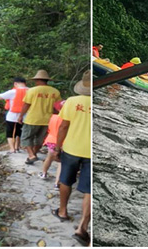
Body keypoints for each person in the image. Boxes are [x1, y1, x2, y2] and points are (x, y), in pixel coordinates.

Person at [52, 70, 91, 246]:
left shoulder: (73, 102)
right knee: (89, 190)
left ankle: (62, 211)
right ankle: (82, 227)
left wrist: (57, 147)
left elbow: (63, 127)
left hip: (72, 149)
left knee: (65, 180)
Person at [18, 70, 62, 165]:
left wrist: (20, 116)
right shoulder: (55, 92)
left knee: (26, 137)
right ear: (47, 80)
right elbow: (57, 107)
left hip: (32, 119)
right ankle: (33, 155)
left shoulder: (32, 91)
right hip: (47, 120)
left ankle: (31, 155)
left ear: (37, 80)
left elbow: (26, 105)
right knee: (40, 139)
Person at [0, 77, 29, 153]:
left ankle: (12, 148)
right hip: (24, 116)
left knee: (10, 132)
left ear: (15, 84)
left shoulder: (12, 92)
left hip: (12, 116)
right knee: (19, 132)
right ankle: (17, 147)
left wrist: (8, 99)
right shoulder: (30, 91)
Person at [40, 100, 65, 188]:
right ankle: (57, 183)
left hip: (51, 140)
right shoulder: (69, 119)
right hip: (63, 142)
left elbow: (49, 128)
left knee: (49, 157)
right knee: (61, 163)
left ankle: (43, 173)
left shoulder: (53, 117)